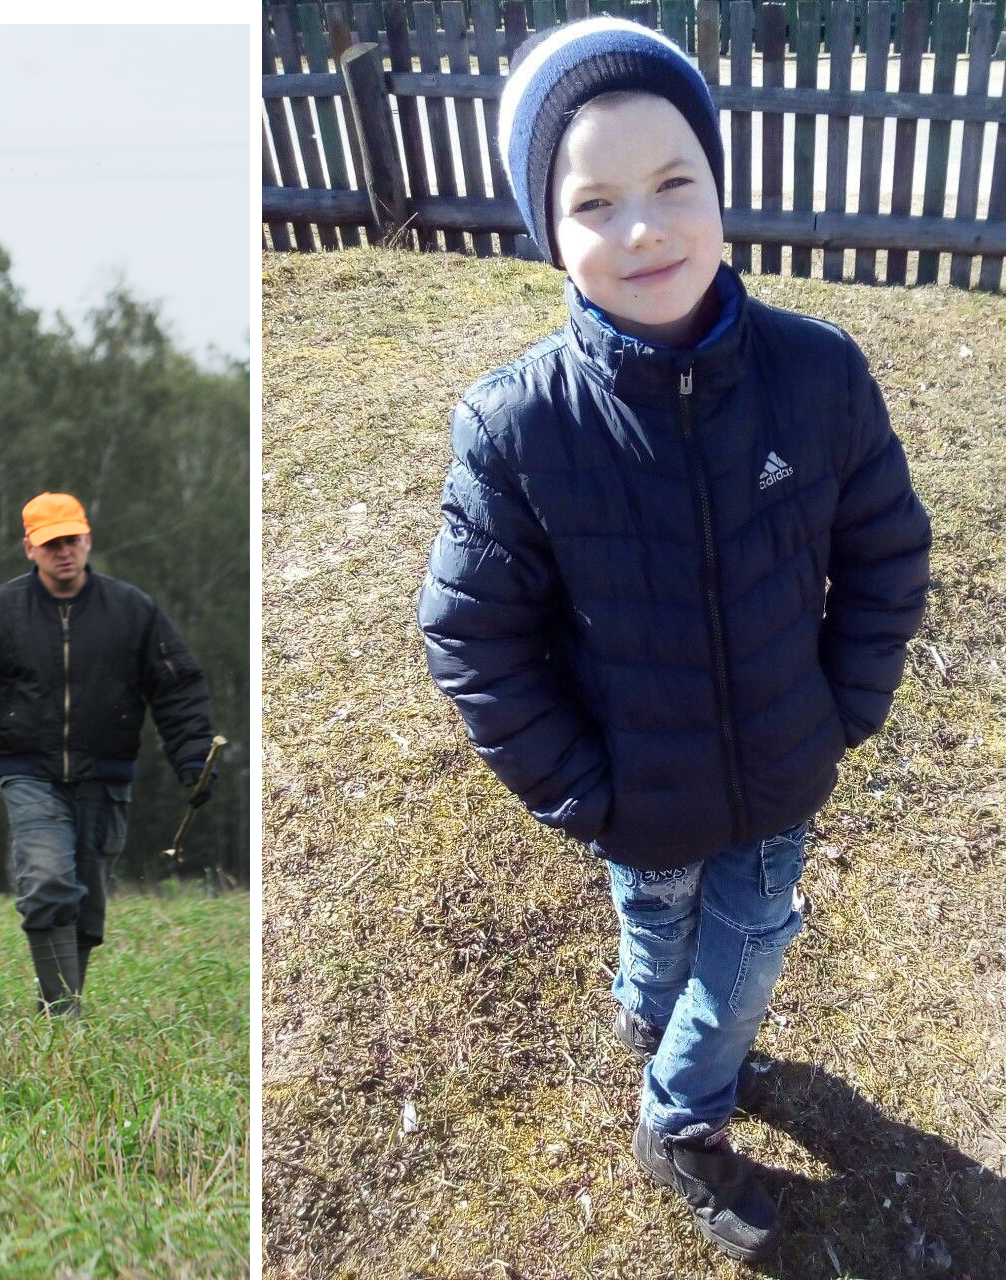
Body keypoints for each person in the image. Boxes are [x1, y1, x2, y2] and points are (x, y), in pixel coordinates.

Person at [416, 18, 932, 1262]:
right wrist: (583, 788)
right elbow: (475, 639)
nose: (643, 229)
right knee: (655, 925)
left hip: (778, 775)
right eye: (596, 200)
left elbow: (885, 551)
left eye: (673, 183)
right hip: (634, 797)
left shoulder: (818, 376)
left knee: (748, 943)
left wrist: (843, 707)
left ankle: (680, 1111)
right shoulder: (516, 427)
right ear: (551, 230)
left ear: (719, 189)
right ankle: (648, 1012)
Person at [0, 492, 216, 1019]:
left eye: (71, 540)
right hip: (28, 774)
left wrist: (193, 759)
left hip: (108, 776)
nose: (64, 552)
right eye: (51, 543)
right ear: (29, 547)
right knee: (48, 880)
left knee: (85, 906)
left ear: (88, 539)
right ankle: (63, 1019)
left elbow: (177, 688)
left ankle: (59, 1012)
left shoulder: (131, 610)